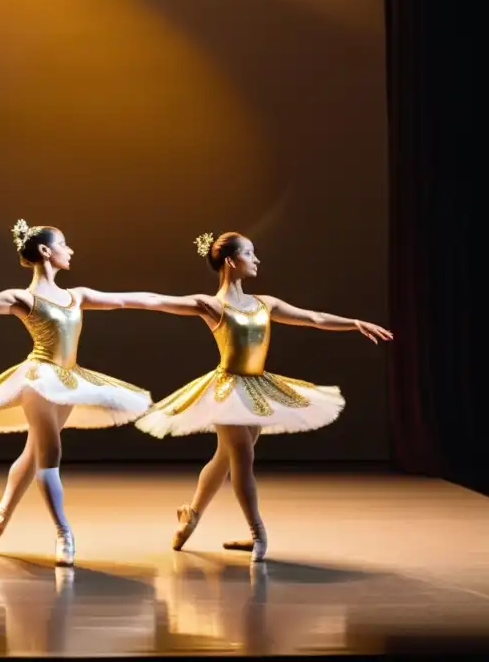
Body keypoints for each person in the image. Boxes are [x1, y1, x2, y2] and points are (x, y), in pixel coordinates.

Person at [0, 220, 153, 566]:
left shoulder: (76, 296)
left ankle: (0, 513)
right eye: (64, 243)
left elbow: (128, 300)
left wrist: (192, 304)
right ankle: (64, 532)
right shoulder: (23, 299)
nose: (71, 250)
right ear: (46, 251)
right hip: (37, 380)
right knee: (50, 451)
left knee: (33, 453)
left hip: (68, 381)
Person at [133, 231, 392, 561]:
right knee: (242, 456)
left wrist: (354, 323)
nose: (257, 260)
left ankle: (191, 515)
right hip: (227, 390)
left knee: (224, 458)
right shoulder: (212, 305)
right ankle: (258, 534)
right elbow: (153, 300)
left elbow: (314, 318)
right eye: (250, 254)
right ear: (231, 261)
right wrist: (98, 298)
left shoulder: (264, 304)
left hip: (256, 388)